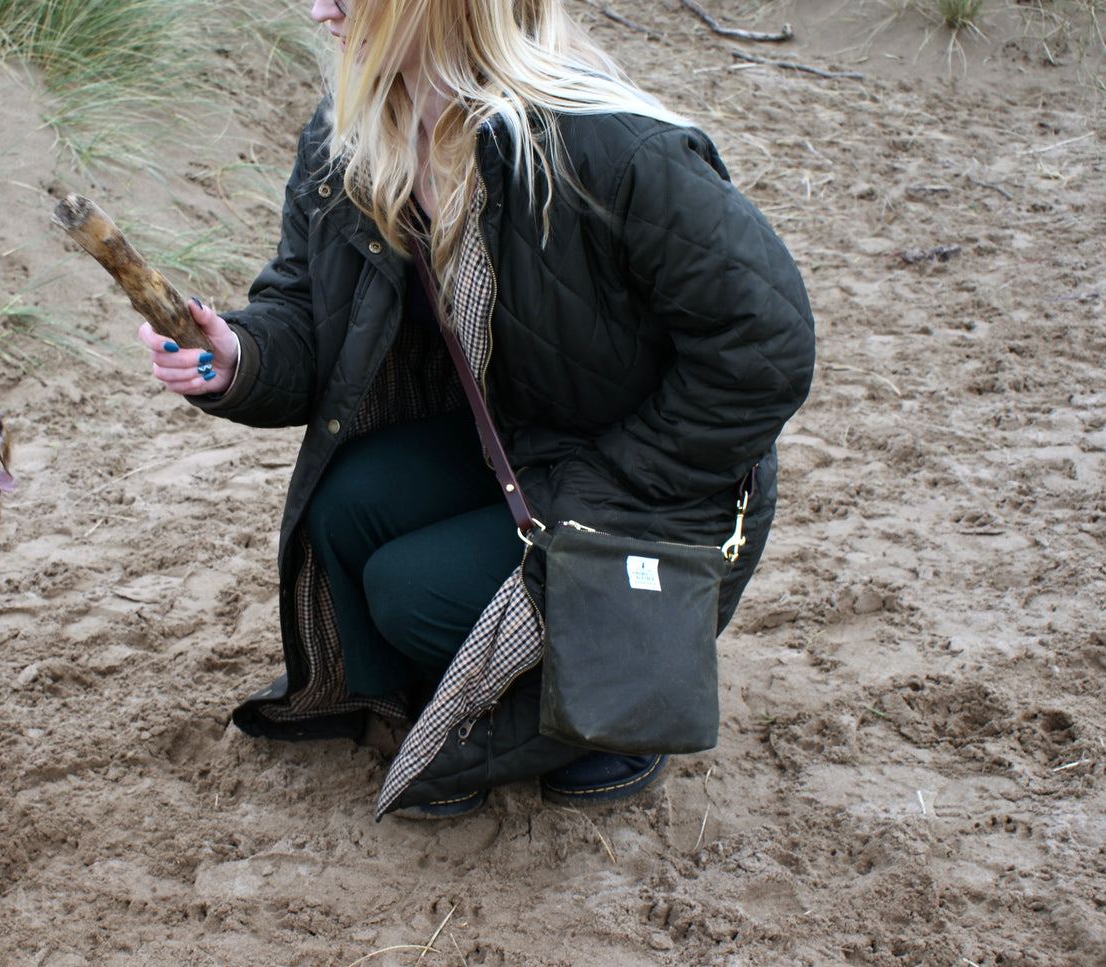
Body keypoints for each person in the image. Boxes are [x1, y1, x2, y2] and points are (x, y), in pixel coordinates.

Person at [138, 0, 814, 819]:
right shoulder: (352, 129)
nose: (319, 9)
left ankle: (617, 710)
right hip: (517, 437)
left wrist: (614, 482)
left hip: (660, 483)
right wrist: (238, 356)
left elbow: (766, 347)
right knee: (344, 505)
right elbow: (306, 308)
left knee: (410, 592)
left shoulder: (607, 146)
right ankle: (424, 702)